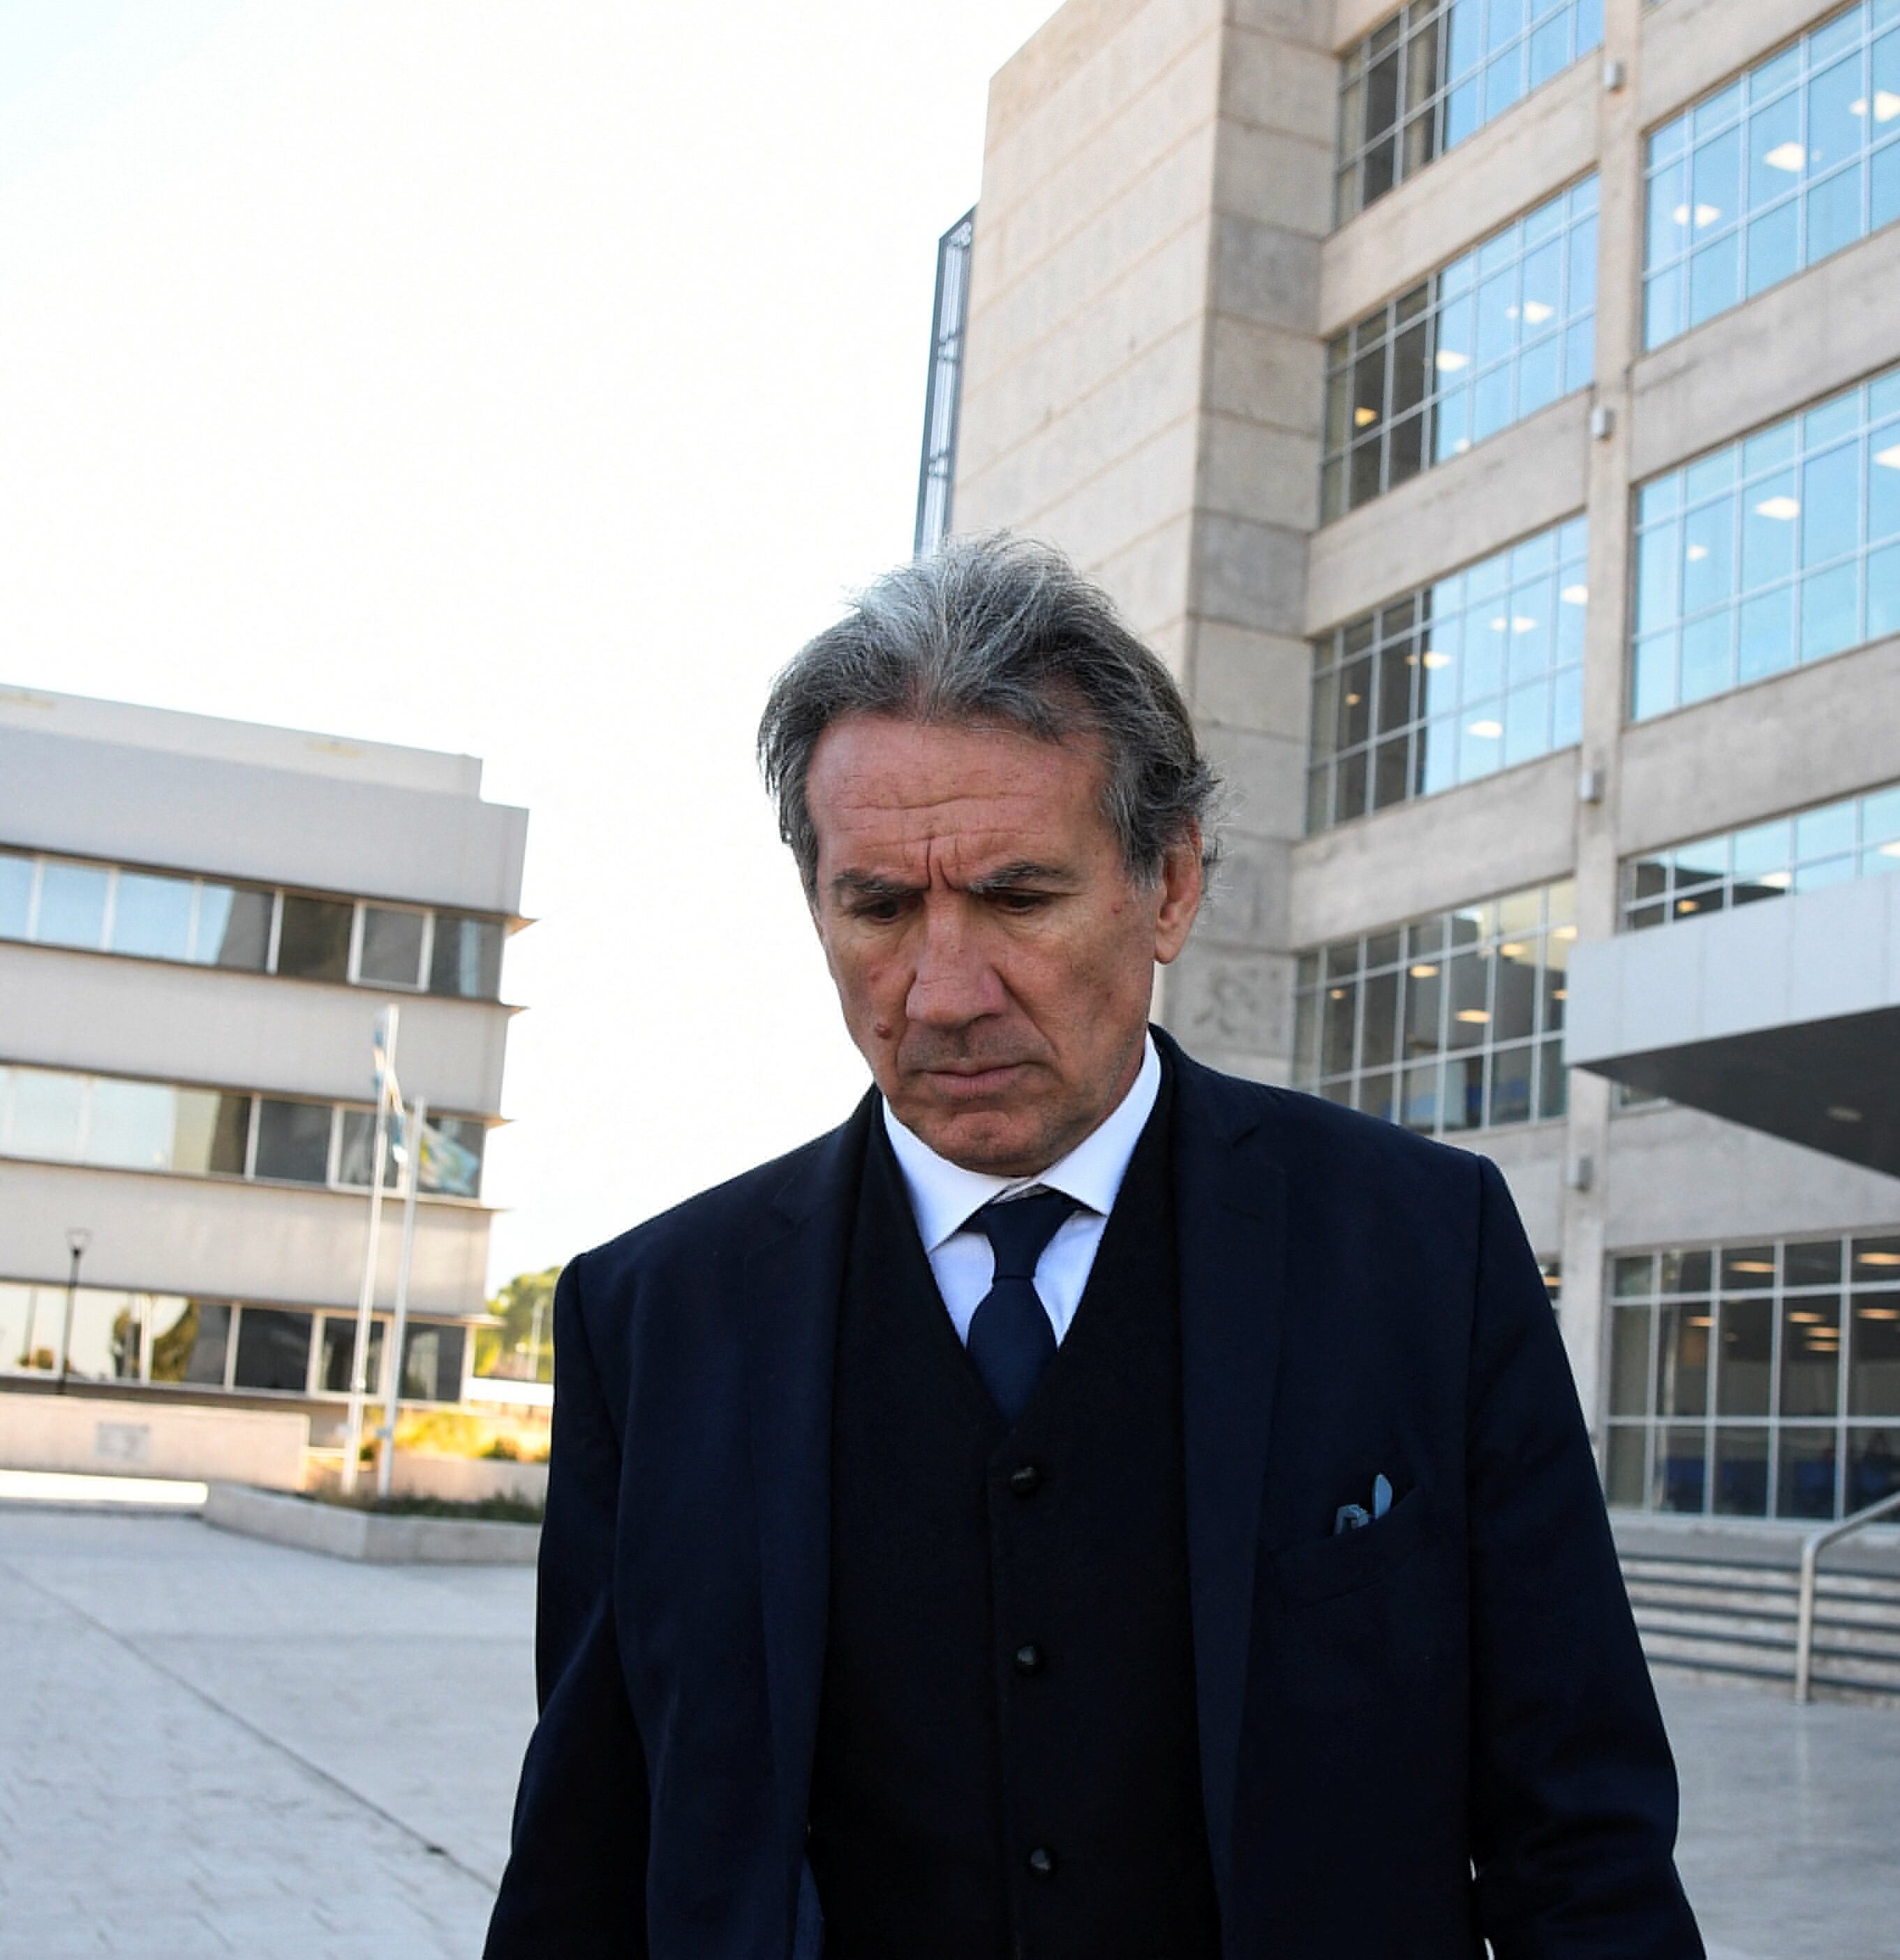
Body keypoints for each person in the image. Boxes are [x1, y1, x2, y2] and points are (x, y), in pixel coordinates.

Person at [484, 539, 1704, 1959]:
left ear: (1169, 883)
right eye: (877, 906)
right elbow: (584, 1860)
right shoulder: (651, 1319)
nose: (940, 991)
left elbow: (1580, 1834)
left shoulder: (1423, 1253)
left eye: (1016, 897)